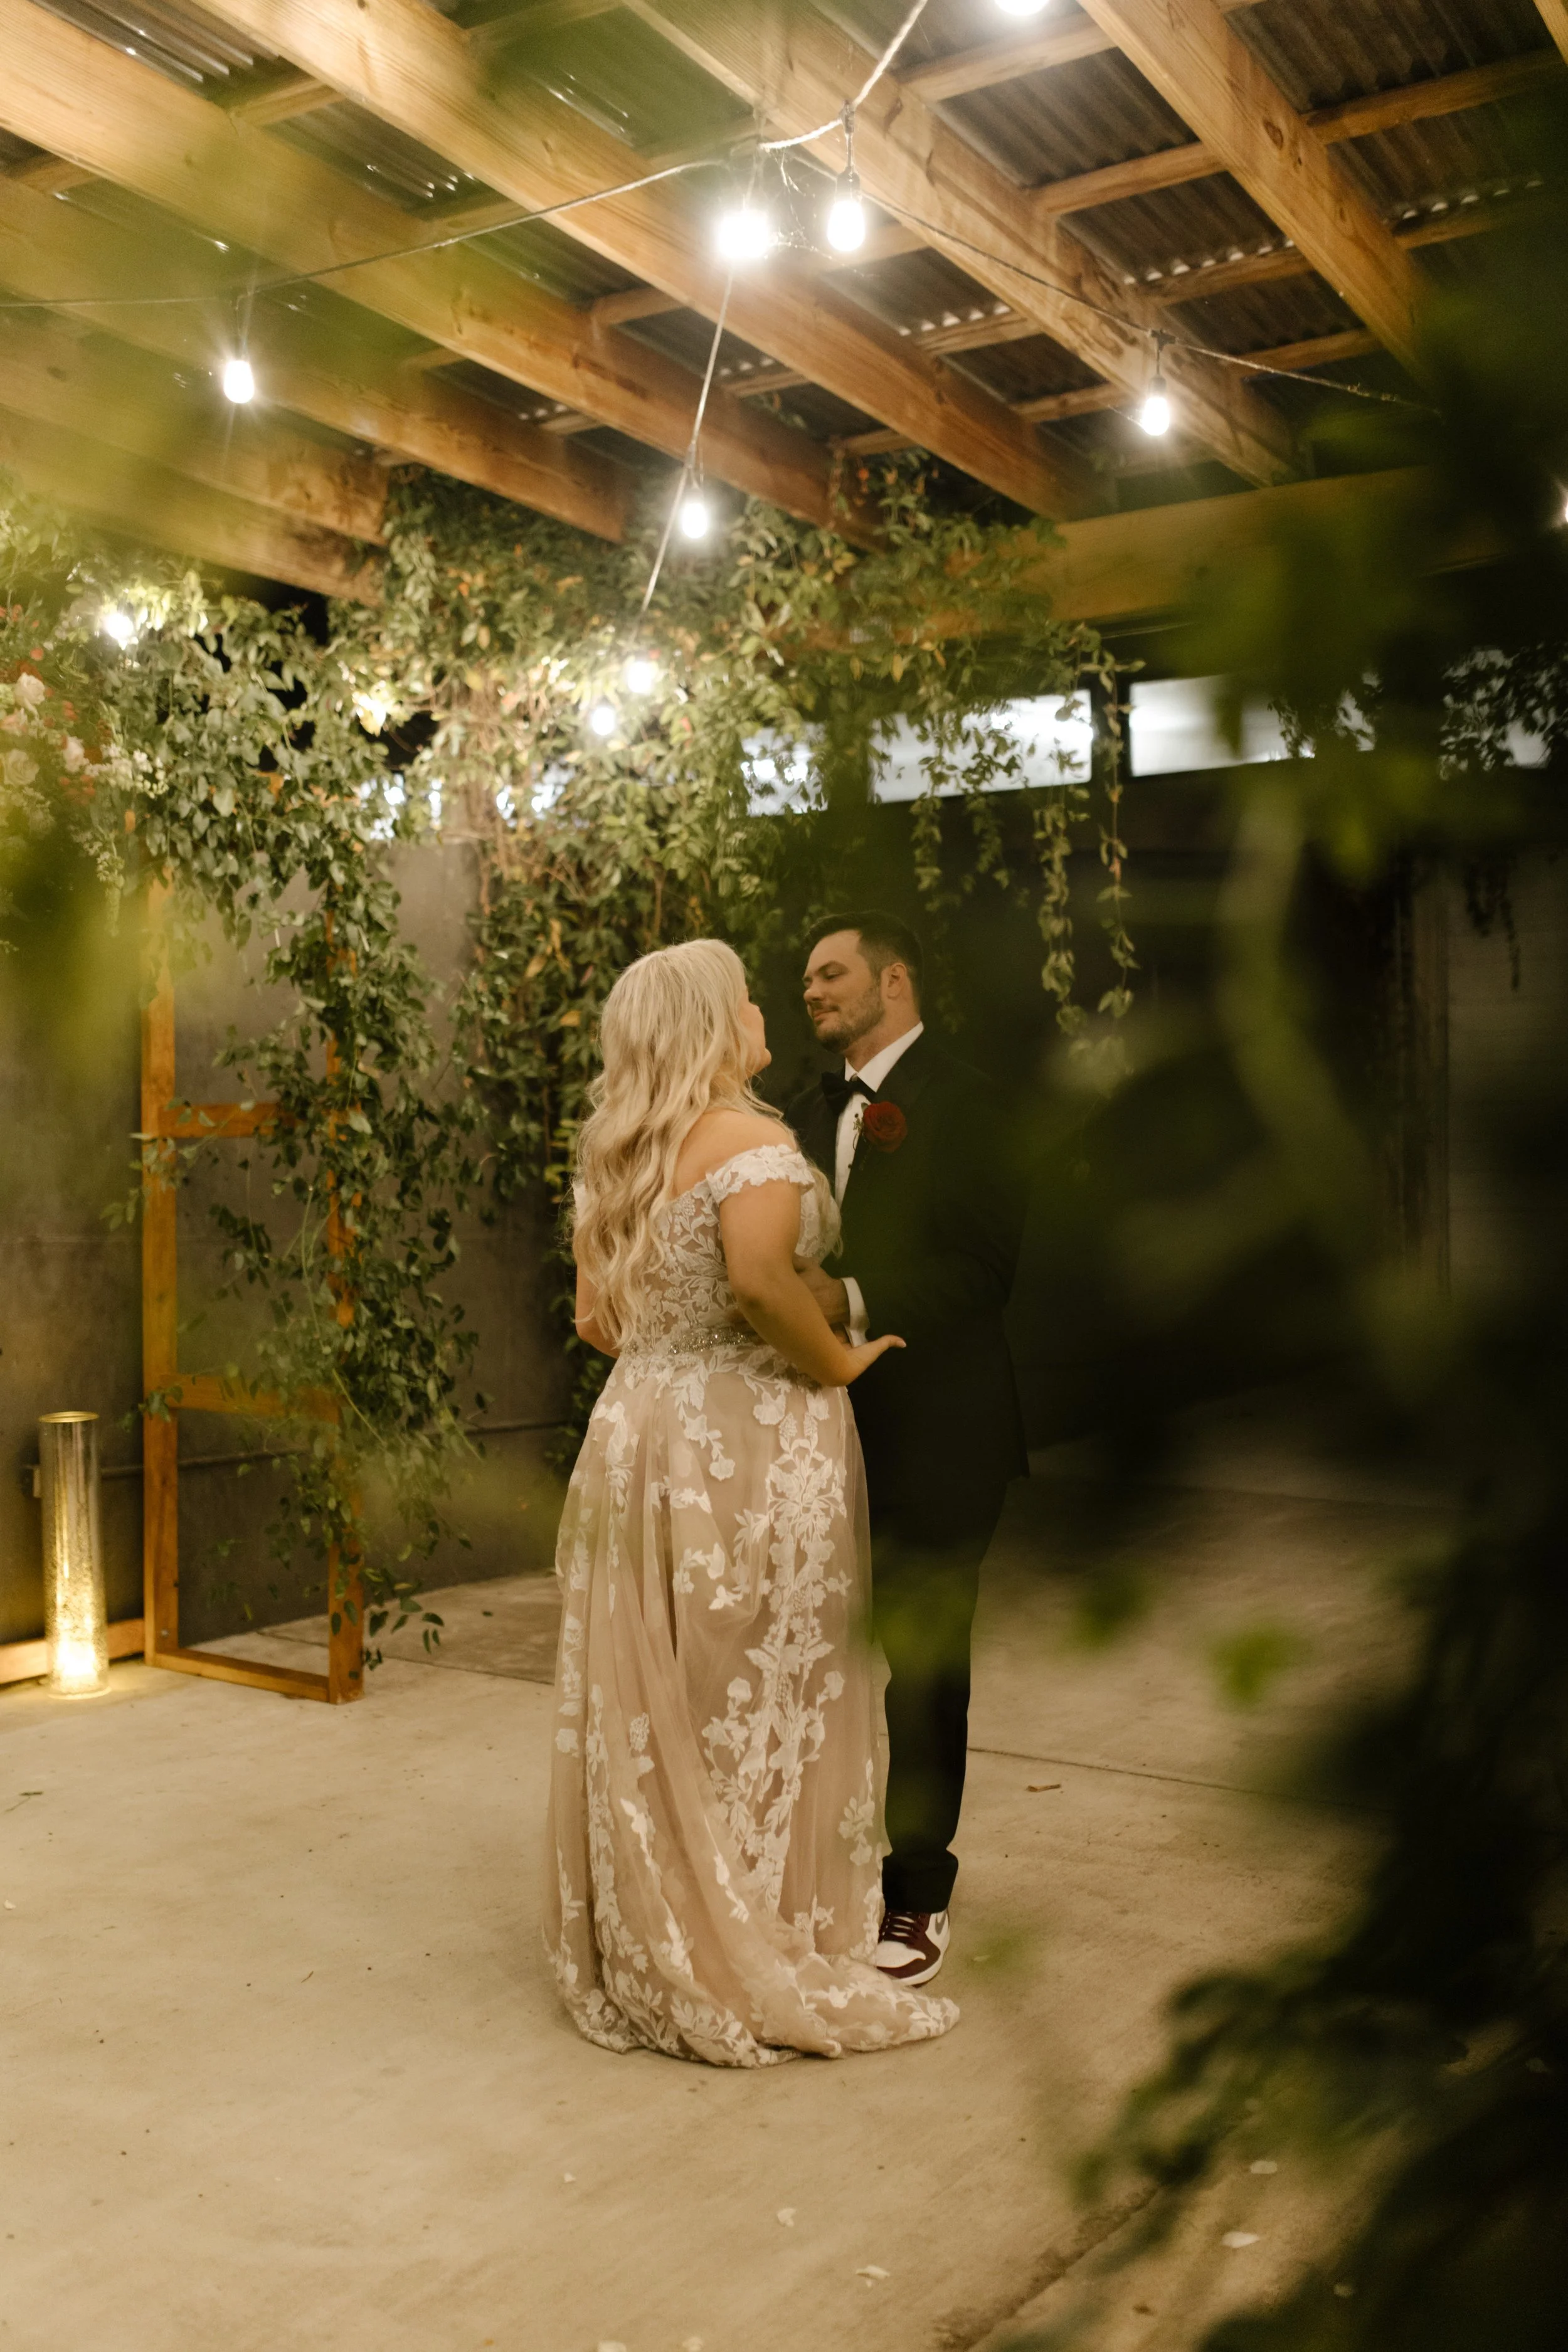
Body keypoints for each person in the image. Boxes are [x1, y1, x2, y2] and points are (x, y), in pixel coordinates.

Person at [543, 938, 959, 2065]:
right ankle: (755, 1925)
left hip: (637, 1431)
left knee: (666, 1684)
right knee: (762, 1680)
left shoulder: (613, 1152)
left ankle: (657, 1919)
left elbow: (595, 1321)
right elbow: (763, 1282)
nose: (765, 1006)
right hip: (751, 1436)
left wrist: (671, 1362)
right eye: (745, 997)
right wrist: (837, 1362)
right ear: (710, 1025)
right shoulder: (755, 1143)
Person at [788, 913, 1027, 1988]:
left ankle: (917, 1898)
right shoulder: (798, 1110)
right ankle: (811, 1876)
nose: (812, 991)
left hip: (940, 1432)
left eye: (831, 973)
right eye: (803, 980)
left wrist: (849, 1296)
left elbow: (985, 1269)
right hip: (816, 1435)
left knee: (921, 1672)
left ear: (895, 981)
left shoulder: (973, 1102)